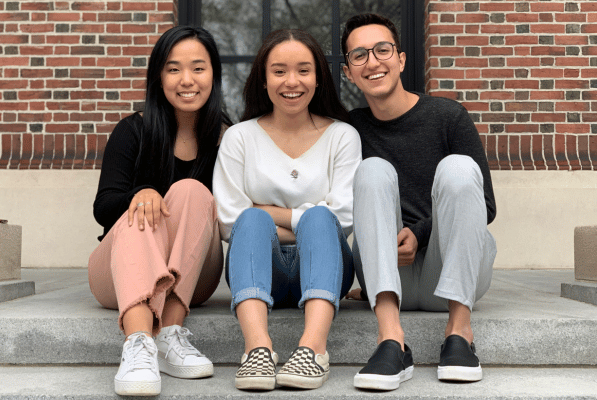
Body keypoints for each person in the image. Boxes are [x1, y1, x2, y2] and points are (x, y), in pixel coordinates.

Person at [341, 14, 497, 390]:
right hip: (392, 276)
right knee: (372, 170)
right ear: (348, 72)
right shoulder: (349, 130)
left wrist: (419, 233)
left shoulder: (448, 116)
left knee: (459, 168)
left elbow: (486, 205)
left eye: (382, 50)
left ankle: (460, 333)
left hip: (453, 272)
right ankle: (391, 340)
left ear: (401, 59)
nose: (373, 62)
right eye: (359, 55)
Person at [213, 29, 361, 391]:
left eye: (303, 70)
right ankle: (257, 350)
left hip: (329, 268)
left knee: (315, 218)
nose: (291, 81)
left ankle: (313, 349)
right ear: (263, 80)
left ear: (318, 78)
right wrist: (302, 224)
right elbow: (231, 220)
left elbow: (341, 217)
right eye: (279, 71)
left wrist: (276, 217)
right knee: (252, 218)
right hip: (259, 267)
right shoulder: (240, 137)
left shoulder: (343, 135)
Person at [88, 26, 231, 396]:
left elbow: (234, 214)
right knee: (142, 208)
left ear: (214, 74)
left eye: (198, 68)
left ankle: (170, 334)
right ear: (158, 76)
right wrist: (142, 192)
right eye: (173, 69)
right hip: (123, 273)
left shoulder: (229, 139)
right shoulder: (132, 130)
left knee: (192, 191)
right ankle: (138, 345)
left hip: (192, 273)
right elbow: (103, 208)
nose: (187, 80)